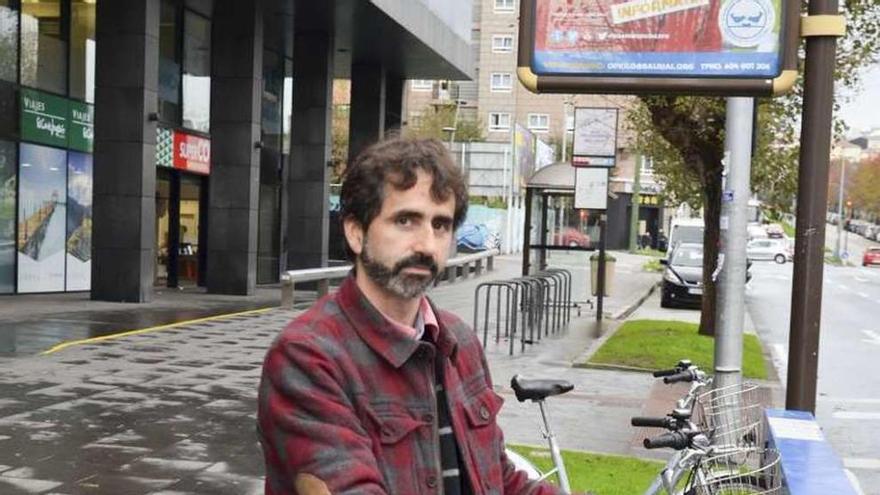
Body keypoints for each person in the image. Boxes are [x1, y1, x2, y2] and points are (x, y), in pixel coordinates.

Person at [257, 137, 565, 494]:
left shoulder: (458, 341)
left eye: (441, 225)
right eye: (406, 220)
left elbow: (498, 479)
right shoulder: (307, 357)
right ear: (356, 233)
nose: (426, 244)